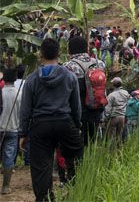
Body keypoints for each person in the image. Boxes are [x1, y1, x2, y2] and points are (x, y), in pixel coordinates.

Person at [18, 38, 83, 202]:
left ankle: (45, 198)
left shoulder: (32, 79)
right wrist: (77, 125)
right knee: (76, 156)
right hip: (64, 122)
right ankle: (74, 189)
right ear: (59, 54)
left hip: (40, 125)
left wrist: (23, 133)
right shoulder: (70, 76)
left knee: (41, 167)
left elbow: (26, 109)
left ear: (41, 54)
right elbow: (76, 106)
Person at [64, 36, 107, 145]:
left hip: (77, 112)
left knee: (77, 143)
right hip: (96, 109)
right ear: (86, 48)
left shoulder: (68, 66)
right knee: (92, 142)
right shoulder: (100, 64)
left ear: (69, 49)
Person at [0, 67, 22, 195]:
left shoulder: (0, 92)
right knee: (9, 157)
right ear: (15, 78)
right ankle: (5, 186)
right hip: (13, 129)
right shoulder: (20, 94)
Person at [103, 77, 130, 146]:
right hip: (122, 117)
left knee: (111, 137)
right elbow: (128, 103)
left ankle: (111, 153)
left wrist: (105, 118)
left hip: (113, 118)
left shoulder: (111, 95)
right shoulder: (126, 93)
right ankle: (119, 152)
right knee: (119, 136)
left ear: (113, 85)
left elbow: (107, 109)